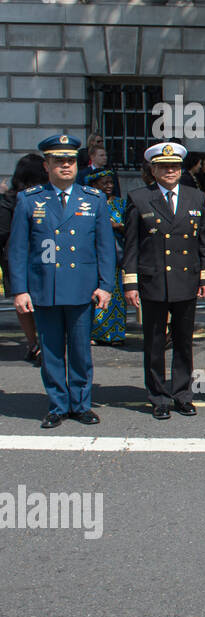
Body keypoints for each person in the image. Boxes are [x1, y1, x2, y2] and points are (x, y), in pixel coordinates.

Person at [9, 134, 115, 428]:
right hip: (46, 289)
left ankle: (81, 404)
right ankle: (57, 404)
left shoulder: (92, 200)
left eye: (70, 161)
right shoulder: (30, 200)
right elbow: (18, 250)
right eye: (59, 161)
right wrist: (20, 290)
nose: (65, 166)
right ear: (47, 165)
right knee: (52, 351)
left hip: (82, 288)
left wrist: (106, 285)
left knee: (81, 351)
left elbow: (105, 248)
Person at [121, 143, 205, 418]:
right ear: (153, 170)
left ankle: (183, 394)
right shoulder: (139, 198)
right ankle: (158, 397)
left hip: (186, 279)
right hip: (154, 280)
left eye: (174, 166)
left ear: (181, 169)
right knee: (154, 343)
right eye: (164, 167)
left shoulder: (196, 197)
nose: (170, 171)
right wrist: (130, 283)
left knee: (184, 342)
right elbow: (132, 245)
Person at [0, 153, 49, 364]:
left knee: (23, 303)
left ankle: (33, 343)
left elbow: (2, 232)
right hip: (43, 254)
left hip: (15, 257)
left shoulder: (10, 199)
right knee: (44, 301)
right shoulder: (45, 197)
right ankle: (47, 342)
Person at [82, 167, 128, 347]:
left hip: (115, 257)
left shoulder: (120, 204)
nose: (109, 186)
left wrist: (116, 225)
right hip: (91, 256)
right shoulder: (87, 202)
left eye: (111, 182)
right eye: (105, 183)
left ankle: (115, 333)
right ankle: (93, 333)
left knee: (116, 295)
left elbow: (130, 227)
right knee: (92, 293)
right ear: (94, 184)